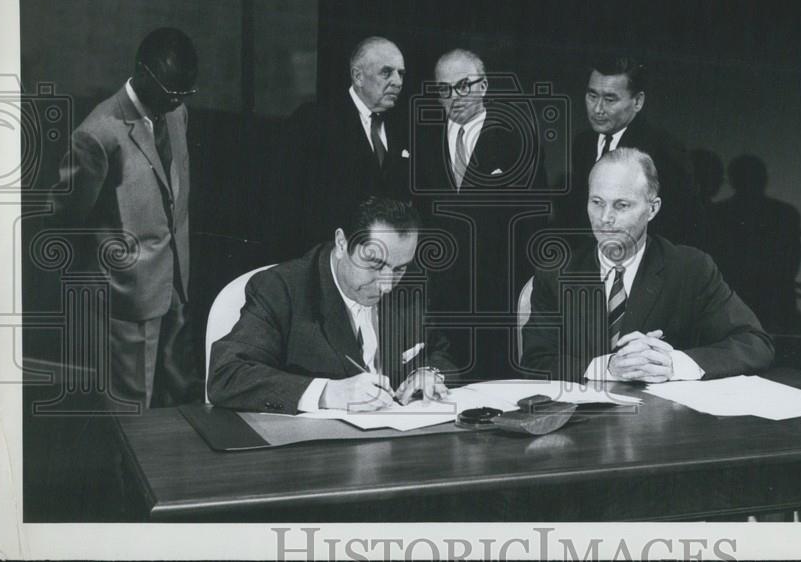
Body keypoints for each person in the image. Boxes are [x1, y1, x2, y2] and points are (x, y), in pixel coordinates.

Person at [522, 147, 773, 382]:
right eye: (597, 202)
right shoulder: (557, 273)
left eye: (621, 205)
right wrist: (607, 367)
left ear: (652, 209)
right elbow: (535, 361)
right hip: (584, 423)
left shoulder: (690, 269)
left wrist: (673, 364)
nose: (605, 218)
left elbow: (755, 343)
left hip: (666, 423)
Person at [50, 27, 201, 409]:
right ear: (142, 73)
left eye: (184, 94)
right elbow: (64, 216)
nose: (176, 102)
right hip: (127, 299)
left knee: (177, 405)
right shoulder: (98, 133)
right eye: (170, 93)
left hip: (176, 289)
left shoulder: (176, 112)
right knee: (131, 413)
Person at [208, 197, 455, 414]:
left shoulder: (410, 286)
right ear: (341, 243)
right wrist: (327, 393)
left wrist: (429, 373)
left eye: (399, 268)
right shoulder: (282, 289)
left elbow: (439, 351)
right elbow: (227, 375)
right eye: (374, 264)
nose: (387, 285)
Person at [413, 48, 549, 381]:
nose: (454, 97)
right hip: (440, 301)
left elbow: (535, 221)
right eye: (444, 89)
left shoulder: (517, 138)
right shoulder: (421, 140)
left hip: (498, 297)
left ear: (484, 86)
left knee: (496, 387)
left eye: (464, 85)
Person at [270, 36, 411, 260]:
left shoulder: (402, 127)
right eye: (387, 72)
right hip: (327, 261)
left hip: (384, 264)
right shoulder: (314, 121)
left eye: (401, 73)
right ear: (358, 76)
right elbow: (286, 202)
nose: (397, 81)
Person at [555, 55, 707, 249]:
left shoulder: (664, 150)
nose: (598, 109)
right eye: (592, 96)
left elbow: (685, 225)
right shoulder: (583, 144)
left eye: (610, 99)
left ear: (638, 102)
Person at [710, 154, 801, 333]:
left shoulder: (718, 214)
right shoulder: (786, 213)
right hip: (776, 301)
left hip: (735, 300)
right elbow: (792, 261)